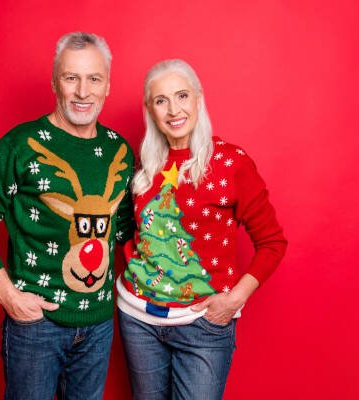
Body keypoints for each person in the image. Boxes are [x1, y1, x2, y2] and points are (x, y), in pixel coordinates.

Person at [0, 32, 135, 400]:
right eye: (71, 78)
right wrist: (8, 295)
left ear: (108, 86)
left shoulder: (119, 150)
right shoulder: (22, 144)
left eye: (93, 79)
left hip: (99, 325)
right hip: (36, 326)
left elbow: (125, 231)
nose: (83, 92)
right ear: (55, 82)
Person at [116, 59, 288, 399]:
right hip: (137, 320)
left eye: (182, 96)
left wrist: (234, 300)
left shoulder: (231, 164)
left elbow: (272, 242)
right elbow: (127, 231)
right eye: (161, 100)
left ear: (198, 98)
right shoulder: (143, 166)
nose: (173, 109)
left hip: (203, 325)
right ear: (150, 110)